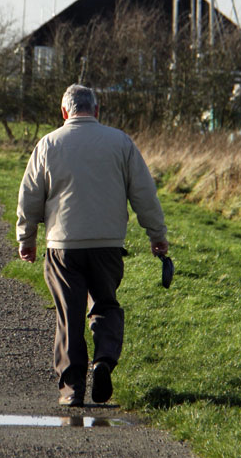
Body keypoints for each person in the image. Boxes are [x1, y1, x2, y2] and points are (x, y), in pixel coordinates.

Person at [16, 84, 168, 406]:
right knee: (105, 305)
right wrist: (157, 235)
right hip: (108, 244)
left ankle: (72, 391)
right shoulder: (121, 142)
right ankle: (104, 361)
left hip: (63, 245)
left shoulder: (48, 144)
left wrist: (26, 238)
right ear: (97, 110)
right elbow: (144, 193)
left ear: (64, 112)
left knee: (69, 316)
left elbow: (30, 196)